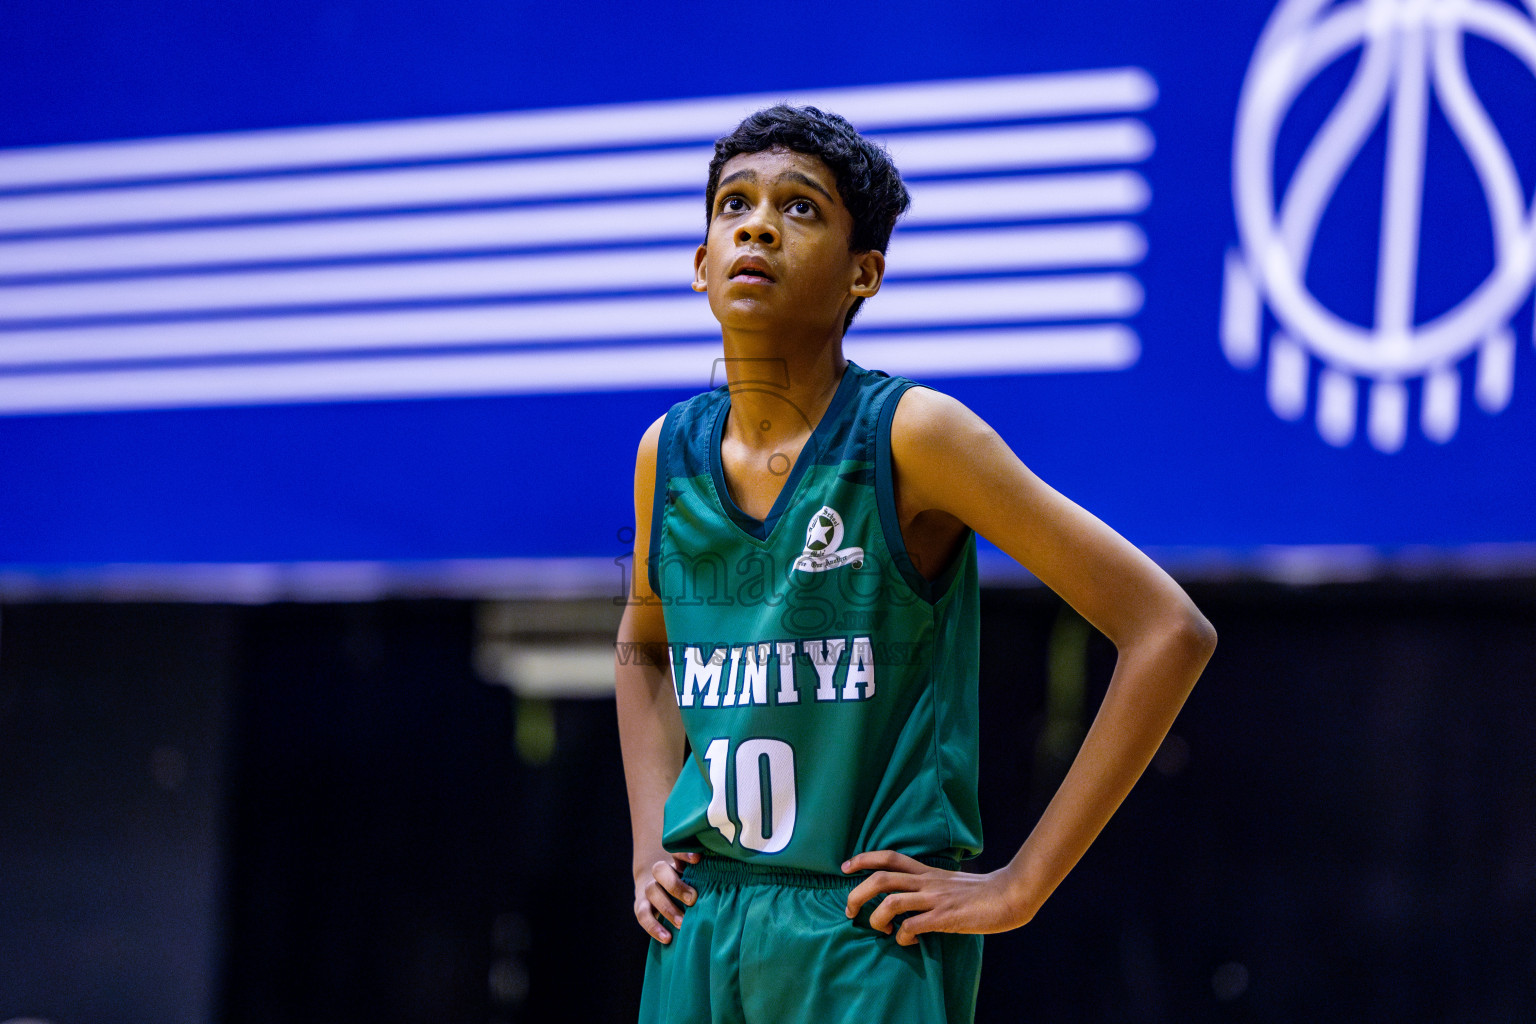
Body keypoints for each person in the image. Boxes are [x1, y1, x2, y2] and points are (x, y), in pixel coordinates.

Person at [614, 104, 1216, 1024]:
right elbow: (645, 651)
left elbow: (1168, 630)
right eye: (733, 205)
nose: (759, 224)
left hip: (860, 932)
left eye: (802, 208)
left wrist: (1019, 887)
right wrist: (649, 841)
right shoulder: (668, 451)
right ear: (701, 264)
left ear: (865, 275)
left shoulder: (913, 436)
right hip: (703, 924)